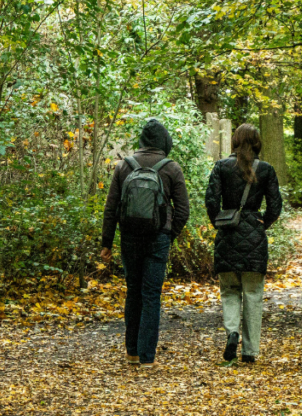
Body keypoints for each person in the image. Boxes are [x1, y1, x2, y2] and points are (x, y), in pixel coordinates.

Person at [100, 118, 190, 368]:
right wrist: (168, 235)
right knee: (151, 294)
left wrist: (107, 242)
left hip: (129, 238)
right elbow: (183, 211)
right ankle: (147, 357)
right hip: (158, 238)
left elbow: (111, 208)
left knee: (133, 292)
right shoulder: (171, 168)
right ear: (164, 141)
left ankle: (132, 353)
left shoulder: (124, 166)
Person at [204, 123, 282, 365]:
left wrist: (219, 222)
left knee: (229, 291)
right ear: (257, 143)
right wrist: (261, 223)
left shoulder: (222, 167)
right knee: (253, 294)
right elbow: (275, 206)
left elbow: (210, 200)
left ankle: (232, 332)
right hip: (254, 238)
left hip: (227, 234)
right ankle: (249, 351)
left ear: (234, 142)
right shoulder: (266, 170)